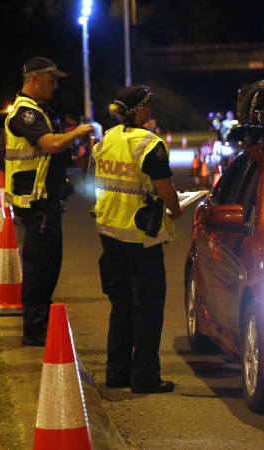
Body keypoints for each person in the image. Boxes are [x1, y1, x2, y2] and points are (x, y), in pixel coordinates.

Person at [92, 85, 182, 393]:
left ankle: (116, 374)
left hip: (109, 231)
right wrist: (176, 209)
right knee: (147, 307)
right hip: (140, 236)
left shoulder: (106, 139)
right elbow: (165, 190)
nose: (150, 111)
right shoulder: (149, 144)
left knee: (121, 306)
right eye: (147, 106)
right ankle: (145, 378)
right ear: (140, 111)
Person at [4, 57, 94, 346]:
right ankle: (34, 329)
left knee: (50, 265)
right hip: (36, 203)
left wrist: (77, 161)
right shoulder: (25, 113)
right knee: (38, 266)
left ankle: (41, 322)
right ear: (35, 79)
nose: (56, 84)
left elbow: (51, 156)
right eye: (52, 79)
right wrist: (76, 132)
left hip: (49, 201)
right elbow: (51, 144)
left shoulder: (40, 110)